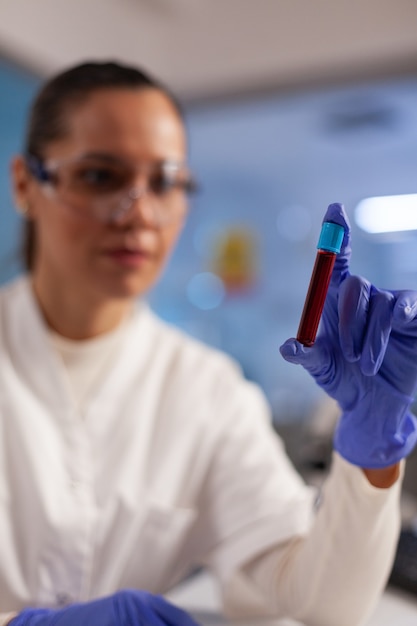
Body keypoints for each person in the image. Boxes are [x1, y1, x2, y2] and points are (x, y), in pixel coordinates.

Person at [1, 60, 417, 626]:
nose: (140, 214)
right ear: (27, 184)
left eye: (165, 182)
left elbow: (318, 603)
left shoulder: (208, 389)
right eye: (101, 176)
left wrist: (370, 457)